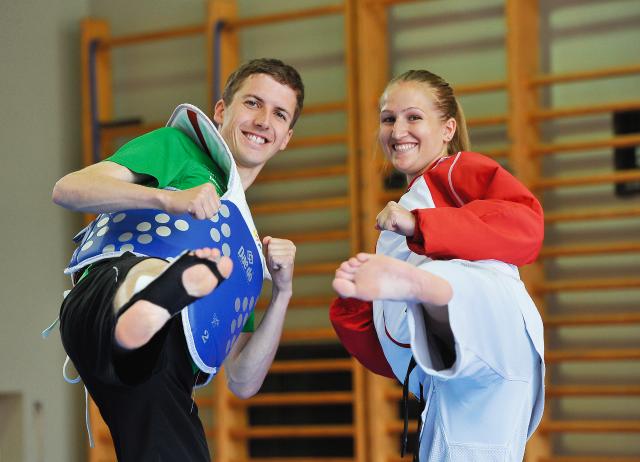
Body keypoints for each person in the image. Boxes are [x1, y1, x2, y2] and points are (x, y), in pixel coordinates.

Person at [52, 58, 304, 461]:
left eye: (279, 114)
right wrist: (166, 199)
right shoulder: (179, 148)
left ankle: (144, 323)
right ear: (221, 110)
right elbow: (69, 188)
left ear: (286, 137)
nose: (262, 121)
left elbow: (242, 381)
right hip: (103, 298)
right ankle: (143, 301)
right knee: (145, 279)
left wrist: (283, 293)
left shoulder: (243, 247)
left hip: (167, 379)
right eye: (253, 103)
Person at [329, 70, 545, 461]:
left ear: (448, 129)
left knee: (442, 286)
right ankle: (429, 293)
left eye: (413, 117)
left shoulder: (457, 172)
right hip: (453, 379)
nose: (397, 131)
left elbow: (527, 227)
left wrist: (420, 226)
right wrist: (353, 306)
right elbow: (393, 350)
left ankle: (433, 289)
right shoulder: (408, 205)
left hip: (490, 335)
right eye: (388, 119)